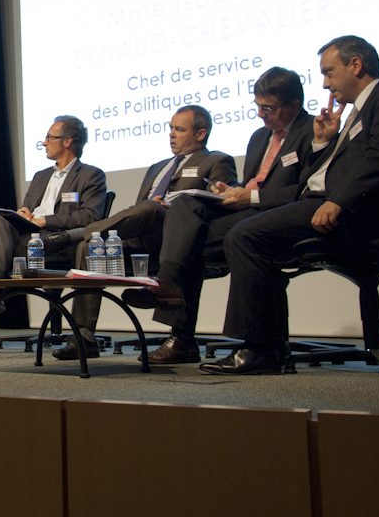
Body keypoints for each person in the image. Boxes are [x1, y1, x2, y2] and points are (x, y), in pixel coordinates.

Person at [199, 35, 379, 375]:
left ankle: (259, 349)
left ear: (356, 65)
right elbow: (331, 170)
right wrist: (322, 143)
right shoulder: (353, 114)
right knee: (238, 232)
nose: (325, 83)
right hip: (321, 201)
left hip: (360, 214)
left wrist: (338, 200)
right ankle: (268, 345)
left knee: (245, 236)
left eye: (329, 72)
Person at [129, 67, 314, 364]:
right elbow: (254, 181)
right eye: (257, 107)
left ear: (293, 105)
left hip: (283, 215)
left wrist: (251, 196)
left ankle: (183, 321)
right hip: (249, 210)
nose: (260, 115)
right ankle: (177, 320)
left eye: (268, 108)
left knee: (193, 239)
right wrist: (231, 191)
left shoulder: (312, 131)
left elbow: (308, 191)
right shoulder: (259, 137)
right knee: (186, 209)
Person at [45, 105, 236, 360]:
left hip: (178, 240)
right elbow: (136, 213)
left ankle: (76, 233)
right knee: (90, 248)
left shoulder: (217, 160)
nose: (171, 134)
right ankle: (84, 336)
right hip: (142, 240)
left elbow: (222, 200)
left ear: (201, 134)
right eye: (170, 128)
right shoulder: (157, 167)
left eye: (179, 129)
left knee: (151, 208)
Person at [0, 115, 107, 356]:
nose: (44, 142)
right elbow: (28, 210)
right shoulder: (40, 176)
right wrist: (24, 214)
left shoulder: (91, 175)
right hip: (30, 241)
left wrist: (45, 220)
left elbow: (89, 217)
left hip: (62, 242)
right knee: (1, 222)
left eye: (49, 137)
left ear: (67, 141)